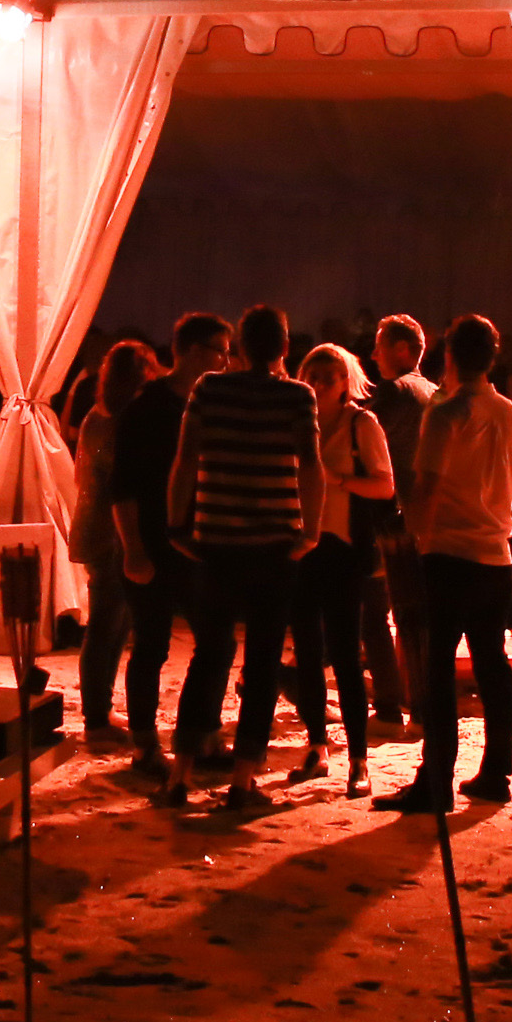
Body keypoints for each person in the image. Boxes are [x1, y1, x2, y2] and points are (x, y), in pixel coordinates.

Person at [162, 304, 322, 812]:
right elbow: (311, 465)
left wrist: (177, 523)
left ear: (240, 348)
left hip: (217, 542)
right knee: (263, 662)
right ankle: (243, 780)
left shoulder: (209, 389)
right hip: (274, 544)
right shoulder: (297, 396)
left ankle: (179, 776)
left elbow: (186, 459)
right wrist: (311, 530)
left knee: (208, 655)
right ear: (284, 348)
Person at [378, 313, 512, 814]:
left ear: (449, 357)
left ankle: (436, 779)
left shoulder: (446, 414)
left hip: (449, 553)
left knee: (438, 669)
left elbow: (428, 486)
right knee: (492, 665)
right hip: (497, 554)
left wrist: (411, 532)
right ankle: (497, 772)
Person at [107, 313, 229, 777]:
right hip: (155, 542)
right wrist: (134, 549)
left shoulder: (210, 402)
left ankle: (199, 735)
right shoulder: (148, 406)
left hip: (201, 543)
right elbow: (122, 487)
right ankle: (145, 746)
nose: (225, 361)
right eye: (220, 351)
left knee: (215, 642)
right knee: (151, 645)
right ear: (194, 352)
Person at [288, 341, 393, 799]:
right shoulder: (297, 422)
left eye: (328, 377)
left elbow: (386, 486)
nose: (318, 384)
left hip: (344, 547)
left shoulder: (360, 424)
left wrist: (339, 480)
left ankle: (358, 758)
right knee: (307, 652)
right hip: (300, 545)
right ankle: (317, 745)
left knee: (347, 655)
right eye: (311, 375)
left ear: (345, 383)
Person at [71, 338, 157, 743]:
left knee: (115, 623)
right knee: (107, 625)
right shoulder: (122, 421)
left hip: (97, 526)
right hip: (111, 532)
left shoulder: (96, 414)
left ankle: (100, 709)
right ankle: (95, 717)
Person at [361, 314, 435, 722]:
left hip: (389, 515)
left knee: (374, 611)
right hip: (423, 515)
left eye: (379, 346)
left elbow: (362, 440)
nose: (373, 355)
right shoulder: (433, 392)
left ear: (403, 350)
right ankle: (419, 702)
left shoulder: (394, 392)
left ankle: (392, 701)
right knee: (412, 616)